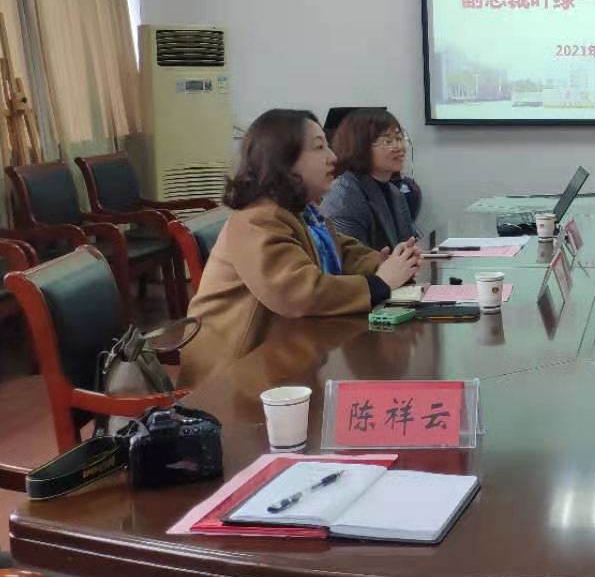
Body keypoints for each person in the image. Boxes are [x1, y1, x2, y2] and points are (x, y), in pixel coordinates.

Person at [181, 109, 421, 382]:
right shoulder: (257, 218)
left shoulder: (301, 211)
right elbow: (297, 293)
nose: (333, 157)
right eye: (319, 147)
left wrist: (384, 263)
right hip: (233, 375)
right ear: (283, 160)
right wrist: (379, 284)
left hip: (285, 355)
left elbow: (341, 250)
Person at [320, 107, 422, 250]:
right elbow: (350, 259)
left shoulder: (395, 193)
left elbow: (409, 243)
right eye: (388, 141)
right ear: (360, 145)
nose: (399, 147)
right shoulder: (343, 197)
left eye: (399, 139)